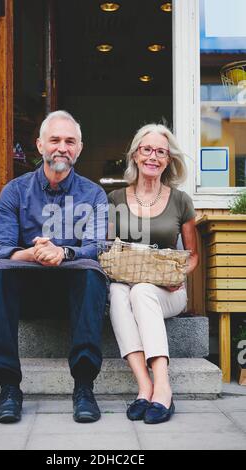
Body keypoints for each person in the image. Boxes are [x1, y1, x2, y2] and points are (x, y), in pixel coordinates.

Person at [0, 110, 108, 424]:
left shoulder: (94, 195)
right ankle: (9, 388)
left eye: (70, 141)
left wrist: (62, 252)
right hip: (28, 294)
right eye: (55, 140)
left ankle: (83, 387)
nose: (61, 147)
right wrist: (35, 253)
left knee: (92, 271)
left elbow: (96, 246)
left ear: (79, 149)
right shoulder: (14, 191)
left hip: (73, 294)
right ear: (40, 145)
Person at [108, 123, 199, 424]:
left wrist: (176, 276)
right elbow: (107, 250)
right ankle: (144, 387)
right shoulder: (116, 199)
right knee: (119, 291)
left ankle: (163, 386)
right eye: (147, 149)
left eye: (161, 151)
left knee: (143, 290)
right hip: (126, 283)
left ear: (168, 160)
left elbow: (193, 255)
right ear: (135, 155)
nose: (153, 156)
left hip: (168, 293)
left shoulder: (180, 200)